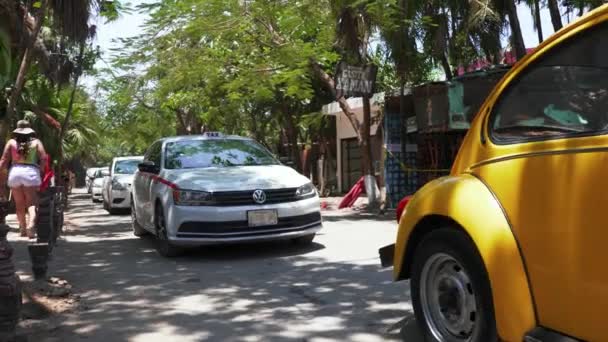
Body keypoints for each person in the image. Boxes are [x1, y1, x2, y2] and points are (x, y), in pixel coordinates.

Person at [0, 120, 47, 238]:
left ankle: (22, 229)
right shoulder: (36, 142)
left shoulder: (11, 142)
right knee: (31, 203)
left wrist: (3, 175)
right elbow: (44, 158)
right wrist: (41, 170)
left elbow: (3, 161)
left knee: (19, 204)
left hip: (15, 172)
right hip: (30, 173)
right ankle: (31, 225)